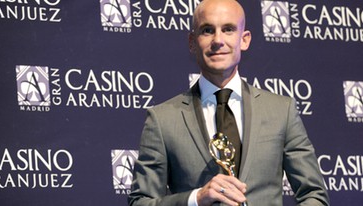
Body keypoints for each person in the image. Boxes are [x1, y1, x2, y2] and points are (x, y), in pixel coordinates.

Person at [128, 0, 329, 205]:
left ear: (244, 39)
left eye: (228, 29)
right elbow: (140, 201)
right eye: (207, 30)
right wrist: (196, 198)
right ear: (192, 41)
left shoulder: (280, 111)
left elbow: (314, 194)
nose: (218, 40)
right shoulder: (163, 120)